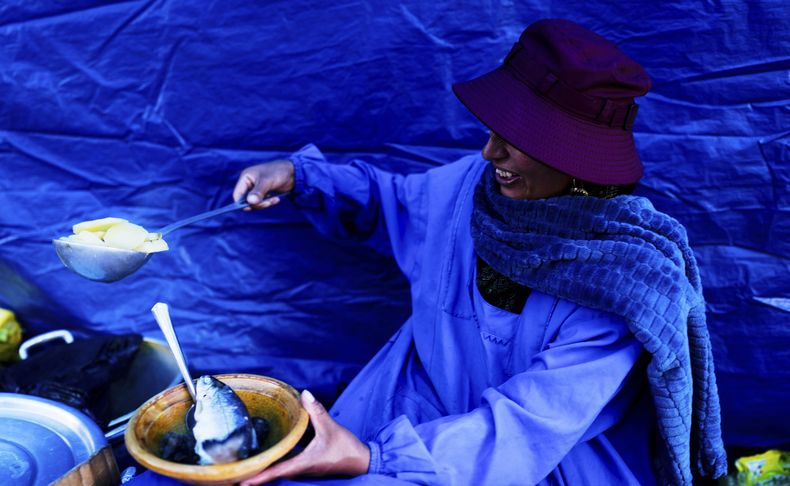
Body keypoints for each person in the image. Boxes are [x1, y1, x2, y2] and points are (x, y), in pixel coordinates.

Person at [233, 19, 727, 486]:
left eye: (519, 140)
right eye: (494, 130)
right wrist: (303, 177)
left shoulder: (621, 285)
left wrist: (375, 458)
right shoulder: (476, 185)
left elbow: (525, 429)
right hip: (412, 402)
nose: (491, 152)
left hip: (527, 461)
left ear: (576, 159)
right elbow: (394, 205)